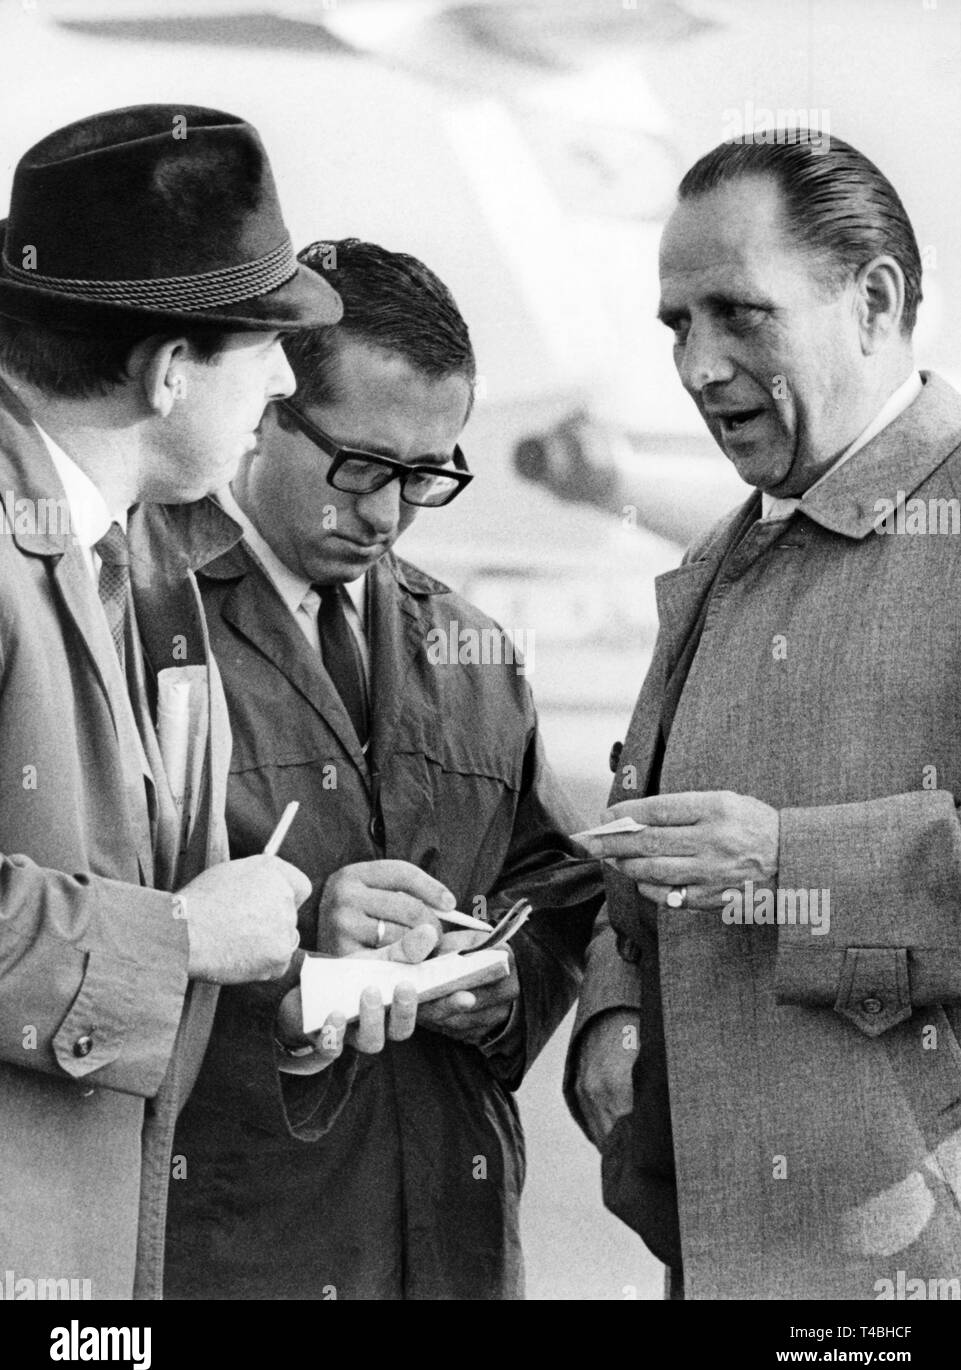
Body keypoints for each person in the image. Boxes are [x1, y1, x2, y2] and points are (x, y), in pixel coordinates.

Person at [0, 106, 421, 1303]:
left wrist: (281, 971)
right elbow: (148, 927)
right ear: (170, 368)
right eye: (268, 344)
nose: (288, 383)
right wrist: (183, 938)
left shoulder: (132, 561)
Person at [163, 238, 603, 1301]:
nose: (388, 513)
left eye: (426, 475)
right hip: (241, 1241)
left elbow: (556, 887)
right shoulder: (137, 618)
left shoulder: (474, 651)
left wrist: (502, 986)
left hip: (450, 1240)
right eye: (360, 467)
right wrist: (298, 962)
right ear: (267, 405)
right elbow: (84, 932)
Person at [566, 130, 961, 1300]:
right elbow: (638, 853)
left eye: (740, 313)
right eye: (678, 325)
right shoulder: (718, 559)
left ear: (874, 301)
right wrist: (612, 1007)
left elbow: (748, 856)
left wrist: (790, 860)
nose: (698, 367)